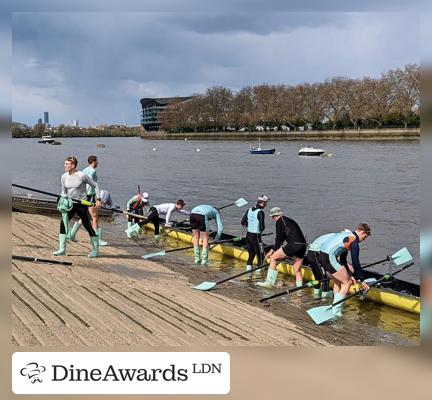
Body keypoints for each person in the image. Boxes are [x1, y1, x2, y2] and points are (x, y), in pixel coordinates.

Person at [306, 223, 371, 316]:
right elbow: (356, 261)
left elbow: (343, 260)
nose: (362, 240)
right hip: (329, 257)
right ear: (362, 232)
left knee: (337, 281)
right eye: (364, 238)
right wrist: (362, 280)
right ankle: (336, 310)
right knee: (347, 283)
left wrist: (350, 275)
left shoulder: (346, 235)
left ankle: (336, 304)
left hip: (321, 256)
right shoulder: (353, 241)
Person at [53, 156, 101, 258]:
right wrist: (62, 199)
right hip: (69, 204)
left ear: (73, 165)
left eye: (67, 164)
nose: (64, 165)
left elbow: (95, 185)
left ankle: (95, 250)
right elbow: (64, 191)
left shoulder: (82, 175)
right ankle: (62, 249)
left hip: (81, 204)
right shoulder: (63, 176)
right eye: (65, 164)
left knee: (88, 226)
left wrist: (98, 199)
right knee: (63, 223)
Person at [257, 207, 307, 288]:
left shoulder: (279, 221)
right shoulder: (289, 220)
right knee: (296, 269)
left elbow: (279, 238)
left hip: (294, 245)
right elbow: (284, 237)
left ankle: (269, 282)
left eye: (272, 217)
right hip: (303, 246)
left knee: (273, 258)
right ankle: (299, 288)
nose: (273, 219)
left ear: (274, 216)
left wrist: (272, 250)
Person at [67, 155, 108, 246]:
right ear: (93, 161)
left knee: (84, 216)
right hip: (89, 196)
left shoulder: (84, 170)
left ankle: (72, 234)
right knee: (94, 217)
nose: (98, 162)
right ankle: (96, 239)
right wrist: (98, 199)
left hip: (83, 196)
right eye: (97, 161)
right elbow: (93, 185)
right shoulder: (92, 171)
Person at [125, 199, 191, 239]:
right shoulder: (172, 206)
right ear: (178, 204)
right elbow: (168, 214)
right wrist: (167, 223)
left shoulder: (176, 208)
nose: (182, 207)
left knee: (156, 225)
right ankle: (129, 230)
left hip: (156, 212)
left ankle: (156, 238)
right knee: (145, 221)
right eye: (182, 206)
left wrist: (191, 214)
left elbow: (183, 212)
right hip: (154, 209)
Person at [240, 195, 269, 273]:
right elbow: (262, 227)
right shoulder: (260, 212)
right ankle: (258, 276)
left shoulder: (249, 209)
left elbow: (242, 222)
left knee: (251, 256)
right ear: (262, 203)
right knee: (261, 256)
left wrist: (250, 224)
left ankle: (248, 274)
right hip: (256, 236)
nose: (266, 205)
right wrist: (259, 232)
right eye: (266, 203)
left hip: (248, 236)